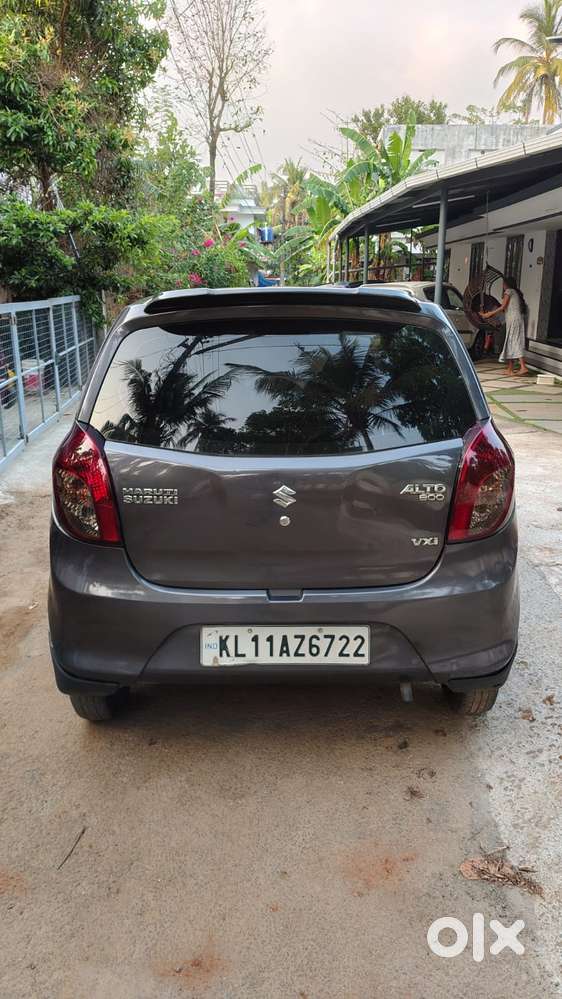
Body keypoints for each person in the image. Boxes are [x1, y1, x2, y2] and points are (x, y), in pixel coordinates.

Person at [480, 277, 529, 376]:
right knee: (510, 342)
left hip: (513, 320)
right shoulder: (515, 292)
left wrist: (489, 314)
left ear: (506, 284)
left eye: (503, 284)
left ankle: (523, 367)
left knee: (514, 341)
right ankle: (510, 369)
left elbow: (503, 307)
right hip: (515, 320)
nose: (503, 286)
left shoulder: (509, 291)